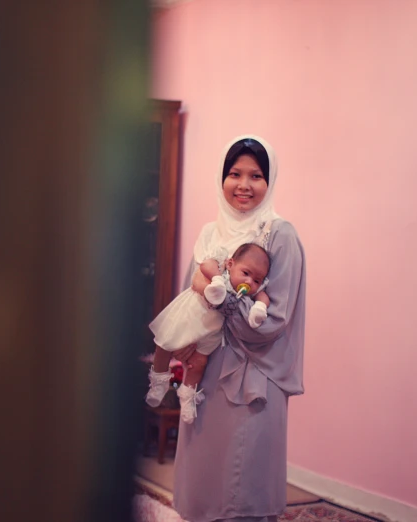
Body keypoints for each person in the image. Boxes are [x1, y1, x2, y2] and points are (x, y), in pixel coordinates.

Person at [171, 135, 306, 522]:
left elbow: (272, 322)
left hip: (253, 380)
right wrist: (185, 337)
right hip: (205, 372)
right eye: (234, 173)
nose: (244, 185)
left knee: (242, 493)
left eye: (256, 175)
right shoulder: (211, 233)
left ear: (270, 182)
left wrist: (216, 296)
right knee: (202, 487)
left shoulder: (280, 236)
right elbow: (188, 291)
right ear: (222, 178)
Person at [145, 243, 272, 425]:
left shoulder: (249, 289)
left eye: (257, 280)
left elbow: (263, 296)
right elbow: (205, 265)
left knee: (199, 363)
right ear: (230, 264)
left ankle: (187, 395)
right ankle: (159, 382)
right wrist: (217, 279)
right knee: (164, 344)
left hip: (211, 330)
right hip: (191, 316)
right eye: (246, 273)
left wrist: (259, 308)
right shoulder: (222, 270)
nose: (250, 282)